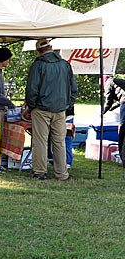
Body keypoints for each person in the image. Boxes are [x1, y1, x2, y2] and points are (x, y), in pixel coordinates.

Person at [24, 38, 76, 181]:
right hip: (60, 109)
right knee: (59, 141)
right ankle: (62, 173)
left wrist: (31, 106)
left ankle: (40, 171)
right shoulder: (65, 65)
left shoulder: (38, 65)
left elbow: (32, 89)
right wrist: (67, 105)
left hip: (41, 109)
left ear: (38, 51)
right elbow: (73, 88)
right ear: (51, 48)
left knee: (40, 141)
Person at [103, 74, 125, 156]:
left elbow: (108, 101)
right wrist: (111, 109)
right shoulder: (117, 81)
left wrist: (103, 112)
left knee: (123, 128)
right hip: (123, 101)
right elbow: (119, 101)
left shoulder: (108, 82)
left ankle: (123, 155)